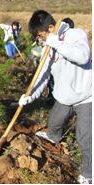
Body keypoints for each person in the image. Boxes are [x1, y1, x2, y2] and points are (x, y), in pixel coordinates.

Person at [19, 10, 92, 184]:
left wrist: (56, 43)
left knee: (85, 137)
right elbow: (42, 76)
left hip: (86, 96)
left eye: (40, 35)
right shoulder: (47, 49)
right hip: (64, 97)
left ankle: (89, 174)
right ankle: (53, 136)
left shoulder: (75, 35)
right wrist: (29, 97)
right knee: (55, 122)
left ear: (51, 28)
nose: (40, 40)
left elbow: (83, 57)